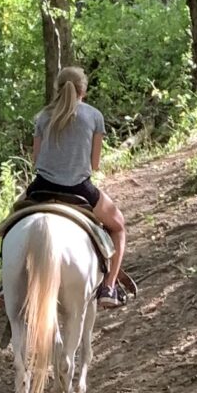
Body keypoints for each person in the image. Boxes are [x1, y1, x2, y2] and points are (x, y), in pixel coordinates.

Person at [23, 65, 127, 302]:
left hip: (41, 187)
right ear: (83, 90)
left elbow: (36, 159)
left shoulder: (42, 116)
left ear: (58, 88)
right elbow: (95, 163)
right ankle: (109, 287)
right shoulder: (94, 116)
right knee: (119, 226)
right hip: (78, 189)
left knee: (11, 222)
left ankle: (3, 284)